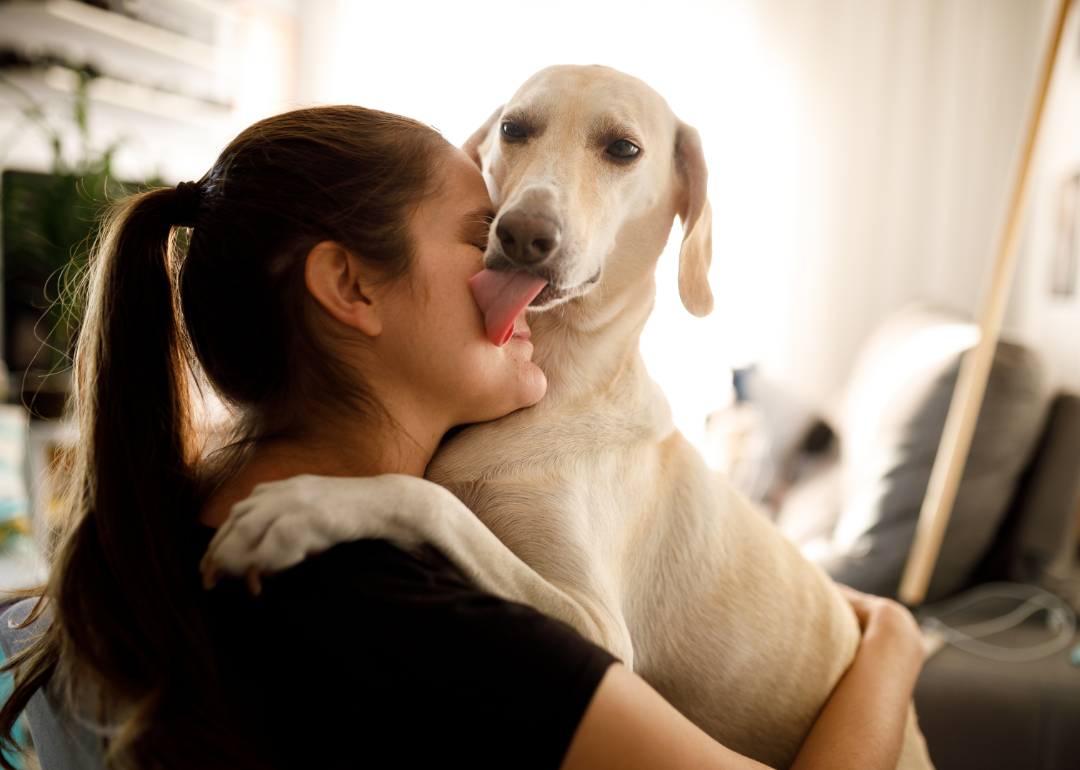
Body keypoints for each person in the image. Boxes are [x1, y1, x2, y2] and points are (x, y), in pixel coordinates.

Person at [0, 105, 925, 770]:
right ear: (351, 289)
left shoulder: (152, 530)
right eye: (482, 232)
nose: (514, 256)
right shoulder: (411, 609)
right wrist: (891, 648)